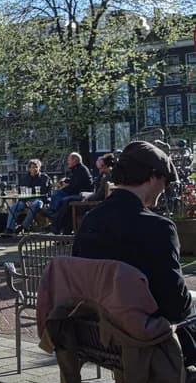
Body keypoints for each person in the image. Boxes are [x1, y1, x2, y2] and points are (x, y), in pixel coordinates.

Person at [72, 141, 196, 366]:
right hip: (147, 340)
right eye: (166, 181)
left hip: (97, 337)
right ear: (153, 176)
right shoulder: (159, 227)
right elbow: (176, 305)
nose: (165, 188)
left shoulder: (90, 220)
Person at [1, 159, 51, 237]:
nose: (34, 169)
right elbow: (21, 192)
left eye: (36, 167)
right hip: (25, 200)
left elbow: (46, 192)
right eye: (32, 167)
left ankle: (24, 226)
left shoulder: (44, 178)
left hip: (39, 200)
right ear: (29, 168)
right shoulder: (25, 178)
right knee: (14, 206)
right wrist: (26, 200)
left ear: (39, 168)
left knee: (35, 204)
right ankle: (9, 229)